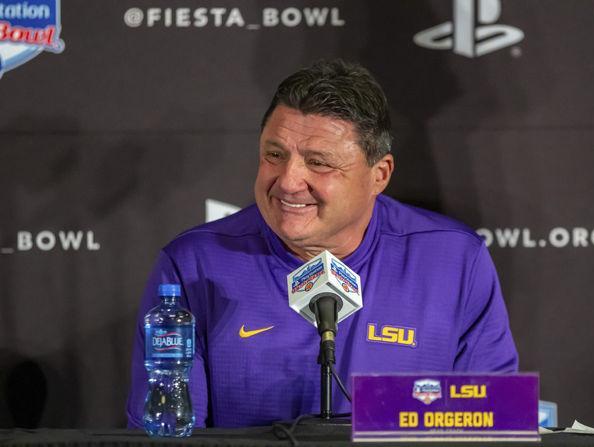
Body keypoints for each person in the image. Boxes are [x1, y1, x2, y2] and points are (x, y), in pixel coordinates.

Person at [127, 59, 518, 428]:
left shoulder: (455, 261)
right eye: (274, 155)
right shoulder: (193, 265)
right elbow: (168, 432)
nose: (288, 181)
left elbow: (489, 422)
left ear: (379, 175)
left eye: (319, 162)